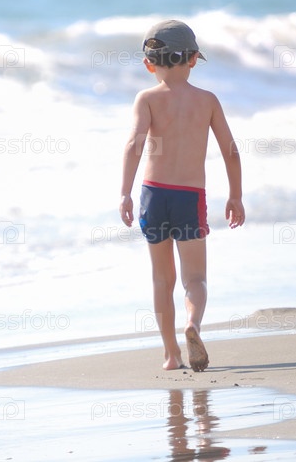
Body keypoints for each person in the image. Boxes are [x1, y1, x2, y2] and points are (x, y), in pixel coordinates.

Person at [119, 20, 245, 371]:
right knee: (195, 279)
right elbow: (231, 151)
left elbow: (134, 144)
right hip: (190, 197)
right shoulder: (206, 101)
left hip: (153, 195)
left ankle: (171, 354)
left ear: (149, 64)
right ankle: (193, 324)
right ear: (192, 59)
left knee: (162, 279)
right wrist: (235, 196)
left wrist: (125, 194)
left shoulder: (146, 99)